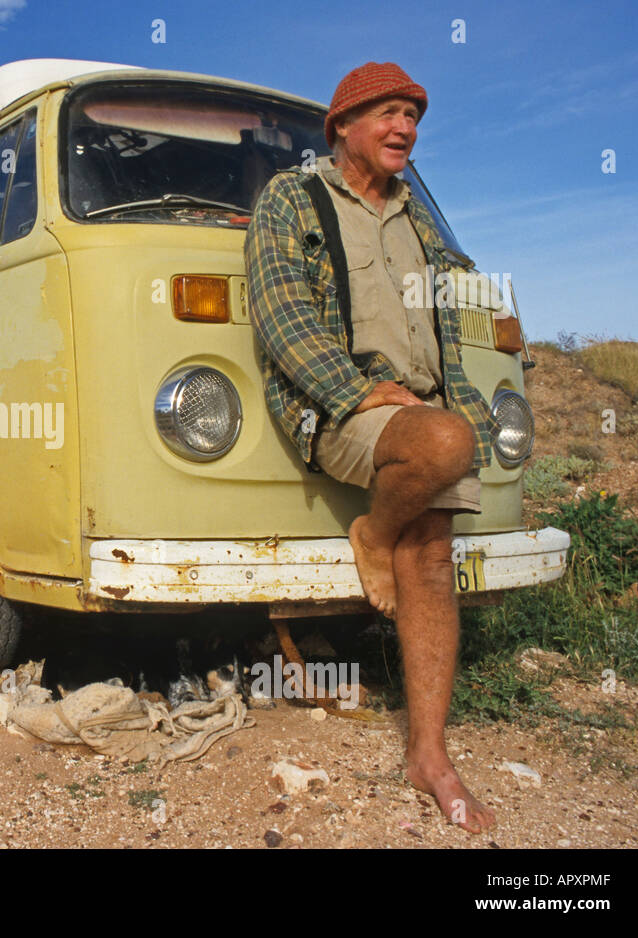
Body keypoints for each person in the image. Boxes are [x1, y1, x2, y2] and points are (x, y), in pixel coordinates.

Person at [245, 62, 498, 832]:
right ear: (343, 125)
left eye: (413, 116)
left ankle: (430, 756)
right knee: (445, 445)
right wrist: (357, 392)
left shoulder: (418, 217)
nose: (405, 128)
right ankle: (371, 532)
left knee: (432, 554)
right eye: (388, 113)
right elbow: (281, 314)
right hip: (338, 405)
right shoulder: (293, 198)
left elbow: (448, 320)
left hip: (420, 411)